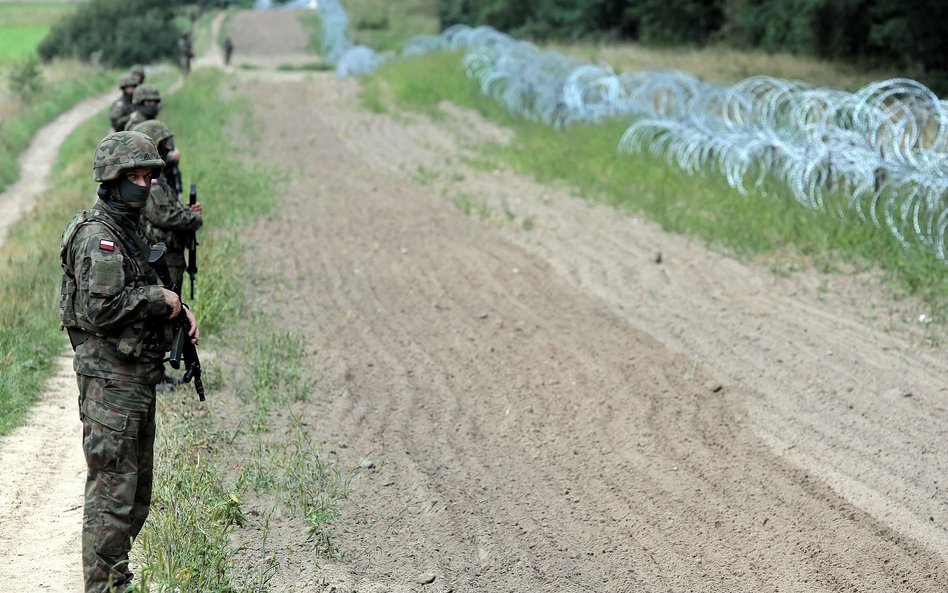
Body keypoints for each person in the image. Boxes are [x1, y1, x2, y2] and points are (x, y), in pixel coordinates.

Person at [59, 130, 199, 593]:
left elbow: (141, 291)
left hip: (135, 377)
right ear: (112, 180)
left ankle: (114, 578)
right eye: (134, 176)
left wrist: (177, 307)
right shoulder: (99, 236)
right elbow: (102, 308)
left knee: (136, 498)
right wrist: (159, 299)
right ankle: (104, 587)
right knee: (112, 498)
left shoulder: (129, 229)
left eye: (148, 175)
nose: (143, 184)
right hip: (110, 383)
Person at [131, 119, 203, 290]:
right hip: (163, 256)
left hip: (168, 254)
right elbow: (161, 215)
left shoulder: (156, 177)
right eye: (163, 143)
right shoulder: (149, 181)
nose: (169, 148)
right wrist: (193, 218)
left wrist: (186, 210)